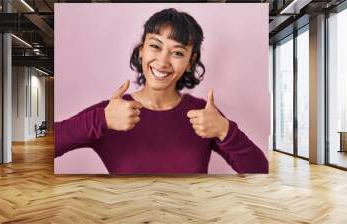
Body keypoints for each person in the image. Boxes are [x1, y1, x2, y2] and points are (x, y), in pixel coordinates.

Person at [55, 8, 268, 174]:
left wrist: (225, 130)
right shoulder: (111, 113)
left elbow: (261, 172)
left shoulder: (203, 114)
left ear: (190, 61)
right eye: (155, 46)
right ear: (141, 51)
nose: (163, 61)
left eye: (177, 52)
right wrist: (100, 120)